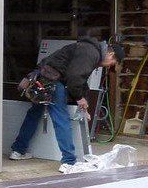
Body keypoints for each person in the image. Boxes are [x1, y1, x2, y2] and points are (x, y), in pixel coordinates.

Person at [9, 38, 123, 172]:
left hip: (42, 78)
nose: (109, 66)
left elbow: (81, 80)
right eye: (112, 63)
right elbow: (74, 78)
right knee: (61, 119)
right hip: (53, 82)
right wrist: (80, 98)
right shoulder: (91, 53)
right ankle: (69, 161)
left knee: (34, 113)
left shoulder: (88, 50)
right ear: (110, 54)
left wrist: (84, 102)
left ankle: (18, 150)